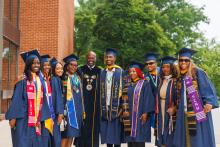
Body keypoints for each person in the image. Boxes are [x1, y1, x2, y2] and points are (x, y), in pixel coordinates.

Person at [173, 47, 219, 147]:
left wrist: (209, 102)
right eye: (181, 60)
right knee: (184, 137)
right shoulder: (178, 76)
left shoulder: (197, 72)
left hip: (197, 110)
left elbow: (207, 88)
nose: (183, 62)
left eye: (186, 60)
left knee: (198, 139)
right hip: (182, 112)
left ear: (190, 61)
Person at [5, 49, 51, 147]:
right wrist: (13, 117)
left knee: (36, 142)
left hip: (36, 119)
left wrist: (42, 117)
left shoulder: (40, 80)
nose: (37, 65)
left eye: (38, 63)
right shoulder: (23, 79)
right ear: (29, 64)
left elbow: (43, 101)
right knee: (23, 142)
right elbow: (17, 99)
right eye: (34, 63)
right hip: (23, 118)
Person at [124, 61, 155, 147]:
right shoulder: (128, 85)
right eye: (130, 71)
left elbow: (148, 98)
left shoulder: (144, 83)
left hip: (140, 116)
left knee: (139, 139)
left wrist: (146, 113)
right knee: (130, 140)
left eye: (134, 71)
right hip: (129, 116)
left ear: (138, 72)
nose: (131, 73)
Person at [75, 51, 101, 147]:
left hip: (95, 105)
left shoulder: (100, 71)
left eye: (93, 58)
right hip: (82, 104)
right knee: (83, 126)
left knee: (94, 127)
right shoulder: (80, 70)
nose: (91, 60)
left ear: (95, 59)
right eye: (89, 58)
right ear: (86, 58)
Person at [100, 48, 124, 147]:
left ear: (115, 58)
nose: (108, 59)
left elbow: (125, 90)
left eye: (110, 57)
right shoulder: (102, 72)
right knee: (107, 135)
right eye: (106, 57)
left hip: (117, 107)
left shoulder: (121, 72)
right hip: (104, 107)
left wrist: (123, 107)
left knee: (116, 134)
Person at [61, 54, 85, 147]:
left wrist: (82, 110)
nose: (74, 67)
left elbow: (81, 95)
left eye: (75, 65)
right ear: (67, 65)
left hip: (77, 110)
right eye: (71, 64)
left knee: (72, 135)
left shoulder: (77, 77)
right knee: (65, 135)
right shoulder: (64, 77)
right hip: (68, 110)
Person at [40, 55, 64, 147]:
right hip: (43, 116)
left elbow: (58, 97)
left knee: (54, 140)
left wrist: (60, 112)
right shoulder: (40, 79)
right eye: (44, 65)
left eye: (48, 65)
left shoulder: (51, 79)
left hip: (53, 114)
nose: (47, 67)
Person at [155, 56, 177, 147]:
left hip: (171, 109)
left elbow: (179, 98)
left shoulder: (176, 81)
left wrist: (175, 108)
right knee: (162, 127)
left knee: (169, 128)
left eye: (168, 66)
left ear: (172, 67)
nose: (165, 69)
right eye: (163, 67)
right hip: (161, 107)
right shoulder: (161, 81)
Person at [144, 52, 160, 129]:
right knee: (156, 127)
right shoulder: (145, 77)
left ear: (156, 63)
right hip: (153, 105)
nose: (148, 65)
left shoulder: (162, 72)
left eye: (151, 63)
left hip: (164, 103)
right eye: (147, 64)